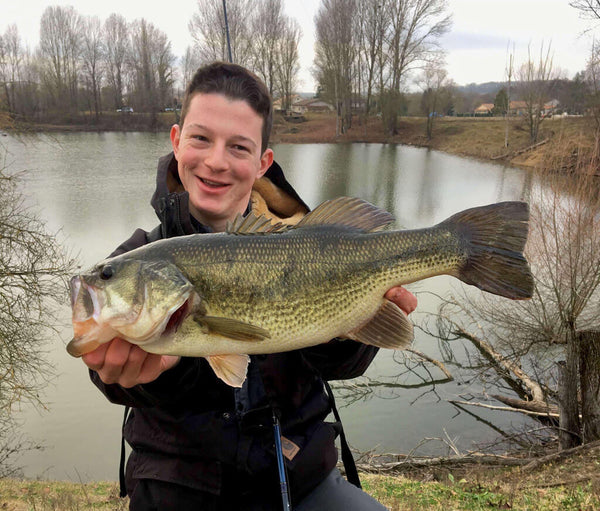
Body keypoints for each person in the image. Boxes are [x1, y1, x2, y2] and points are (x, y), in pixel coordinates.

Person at [81, 61, 417, 510]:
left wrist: (346, 325)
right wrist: (143, 378)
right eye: (201, 139)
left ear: (263, 163)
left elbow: (345, 365)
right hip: (176, 489)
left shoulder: (308, 240)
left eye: (238, 147)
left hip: (299, 479)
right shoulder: (141, 254)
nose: (216, 161)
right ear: (177, 141)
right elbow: (112, 379)